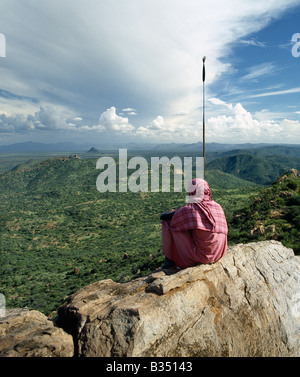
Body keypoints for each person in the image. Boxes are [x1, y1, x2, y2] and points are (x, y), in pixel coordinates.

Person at [160, 178, 228, 269]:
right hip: (220, 253)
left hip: (203, 256)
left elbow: (163, 216)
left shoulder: (190, 209)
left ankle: (170, 260)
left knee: (168, 222)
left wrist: (175, 212)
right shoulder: (217, 206)